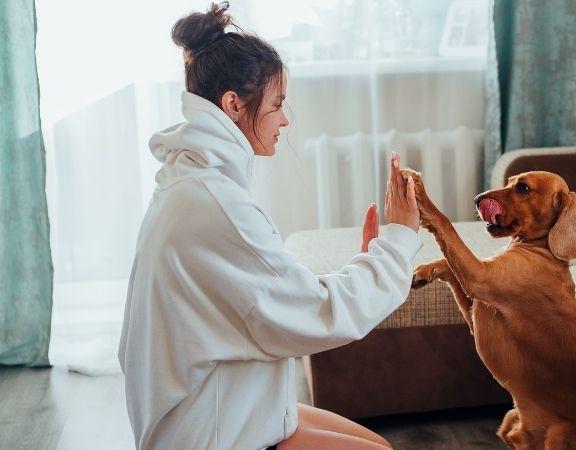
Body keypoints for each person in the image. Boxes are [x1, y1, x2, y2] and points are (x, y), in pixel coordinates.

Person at [117, 3, 421, 449]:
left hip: (221, 402)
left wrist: (369, 259)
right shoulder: (215, 205)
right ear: (233, 104)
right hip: (210, 430)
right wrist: (398, 240)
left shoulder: (193, 183)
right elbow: (319, 314)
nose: (285, 119)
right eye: (278, 105)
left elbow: (271, 299)